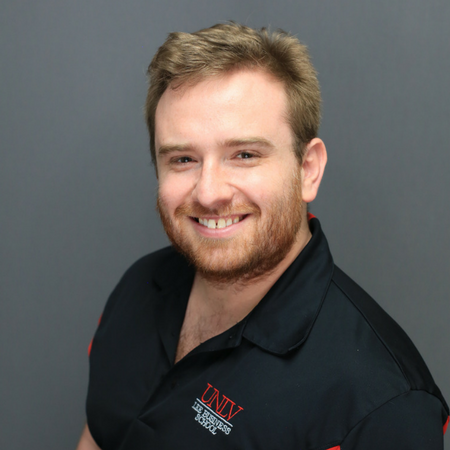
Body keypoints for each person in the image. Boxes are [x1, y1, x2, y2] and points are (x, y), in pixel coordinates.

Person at [76, 23, 449, 450]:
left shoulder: (382, 405)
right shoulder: (138, 287)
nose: (209, 193)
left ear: (308, 170)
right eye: (183, 159)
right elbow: (99, 436)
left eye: (244, 155)